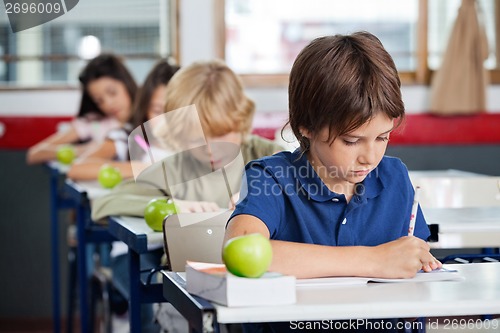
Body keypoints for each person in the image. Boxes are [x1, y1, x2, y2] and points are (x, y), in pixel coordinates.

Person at [224, 31, 442, 333]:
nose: (370, 156)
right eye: (351, 141)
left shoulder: (395, 178)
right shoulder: (270, 178)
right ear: (307, 126)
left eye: (383, 138)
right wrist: (373, 261)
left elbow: (418, 263)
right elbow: (241, 250)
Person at [90, 59, 284, 333]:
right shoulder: (175, 168)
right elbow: (103, 203)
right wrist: (172, 206)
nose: (209, 149)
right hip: (190, 290)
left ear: (241, 122)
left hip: (265, 287)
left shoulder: (270, 158)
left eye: (220, 135)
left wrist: (263, 202)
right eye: (195, 139)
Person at [66, 59, 179, 180]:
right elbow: (77, 168)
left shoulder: (194, 144)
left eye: (177, 111)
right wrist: (143, 168)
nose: (167, 120)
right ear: (145, 109)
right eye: (158, 111)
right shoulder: (129, 137)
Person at [26, 53, 137, 165]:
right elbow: (34, 154)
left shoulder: (147, 117)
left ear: (126, 83)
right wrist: (86, 150)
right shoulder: (94, 123)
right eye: (99, 101)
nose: (108, 104)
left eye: (112, 93)